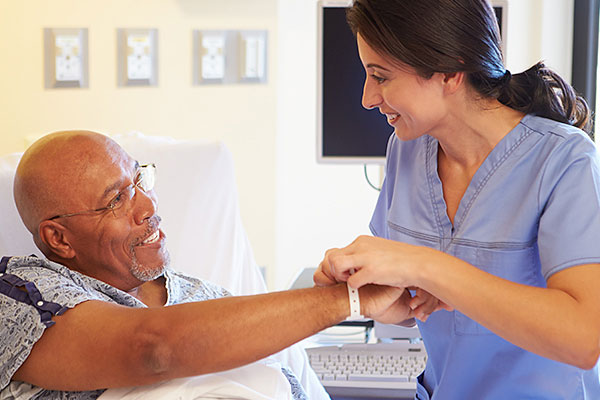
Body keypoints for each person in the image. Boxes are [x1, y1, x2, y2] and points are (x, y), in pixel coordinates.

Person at [314, 0, 600, 399]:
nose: (367, 97)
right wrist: (377, 298)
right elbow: (424, 303)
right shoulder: (406, 151)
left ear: (449, 71)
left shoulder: (563, 161)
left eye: (380, 76)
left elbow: (584, 339)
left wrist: (427, 266)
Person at [1, 130, 409, 400]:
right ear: (59, 239)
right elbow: (151, 349)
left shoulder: (208, 300)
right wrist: (348, 301)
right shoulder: (20, 296)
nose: (148, 206)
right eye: (117, 200)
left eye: (139, 180)